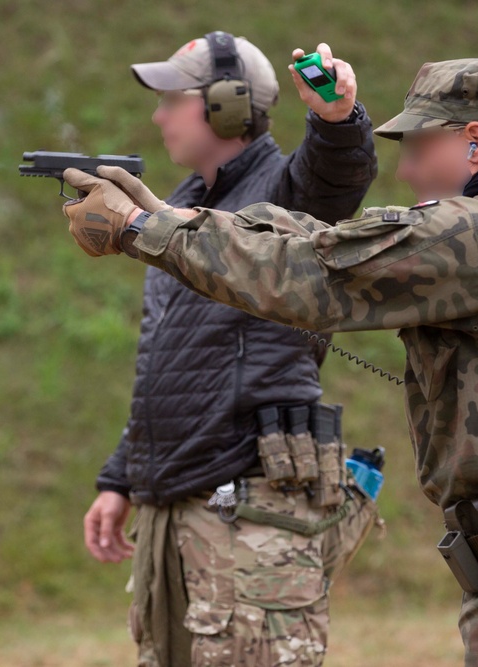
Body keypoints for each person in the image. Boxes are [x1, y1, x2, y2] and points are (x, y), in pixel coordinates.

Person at [64, 58, 478, 666]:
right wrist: (178, 221)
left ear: (475, 142)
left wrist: (138, 230)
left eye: (420, 147)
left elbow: (311, 275)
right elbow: (321, 243)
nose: (407, 169)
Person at [80, 32, 378, 667]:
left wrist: (334, 115)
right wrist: (120, 476)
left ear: (227, 106)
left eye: (173, 99)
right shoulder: (177, 209)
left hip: (245, 504)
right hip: (177, 505)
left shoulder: (286, 192)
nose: (159, 115)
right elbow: (172, 361)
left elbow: (335, 172)